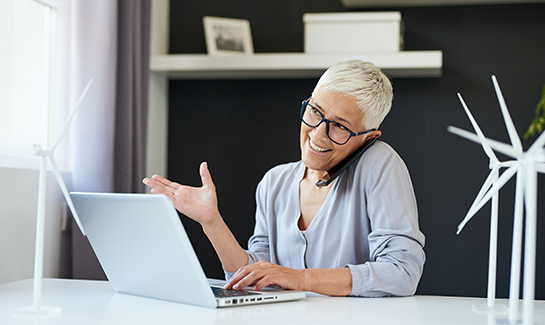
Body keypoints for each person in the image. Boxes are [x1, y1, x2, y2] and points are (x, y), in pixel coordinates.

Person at [143, 60, 425, 297]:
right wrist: (212, 222)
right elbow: (255, 274)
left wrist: (299, 279)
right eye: (315, 112)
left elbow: (402, 272)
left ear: (369, 138)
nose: (316, 134)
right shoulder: (274, 182)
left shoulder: (379, 163)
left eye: (339, 127)